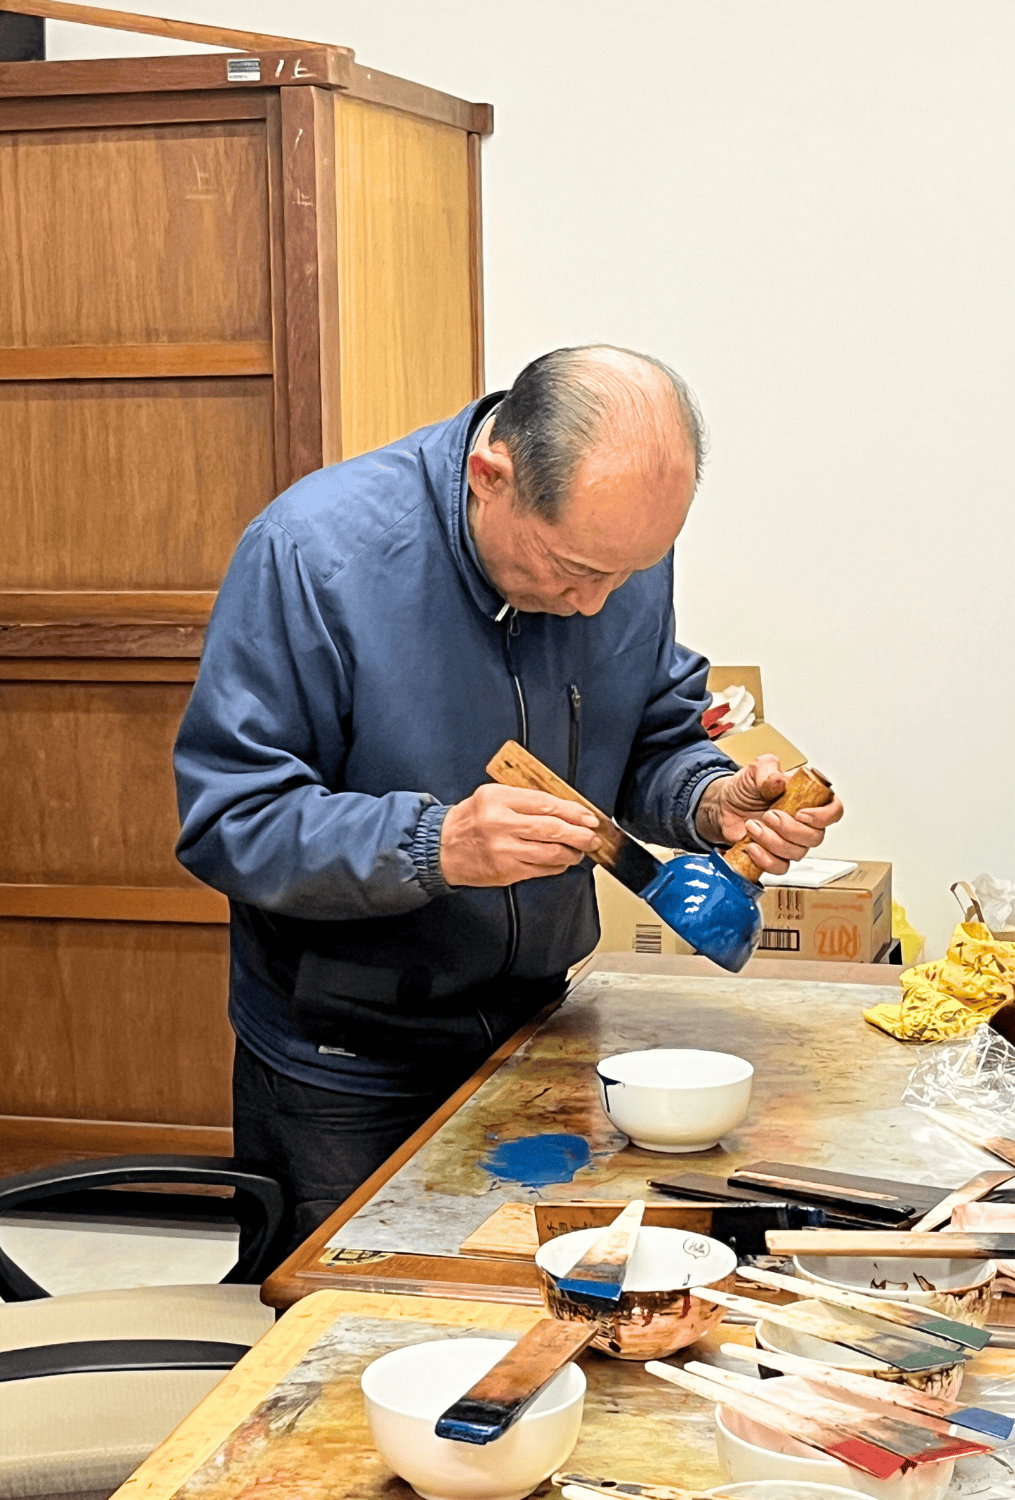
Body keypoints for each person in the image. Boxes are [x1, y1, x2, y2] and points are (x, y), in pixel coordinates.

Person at [173, 345, 843, 1264]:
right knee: (354, 1324)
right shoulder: (313, 555)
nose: (596, 604)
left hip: (540, 1032)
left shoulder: (615, 546)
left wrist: (710, 797)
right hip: (348, 1066)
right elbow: (232, 820)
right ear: (493, 476)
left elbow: (650, 733)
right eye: (576, 570)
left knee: (547, 1305)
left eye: (629, 575)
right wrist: (435, 844)